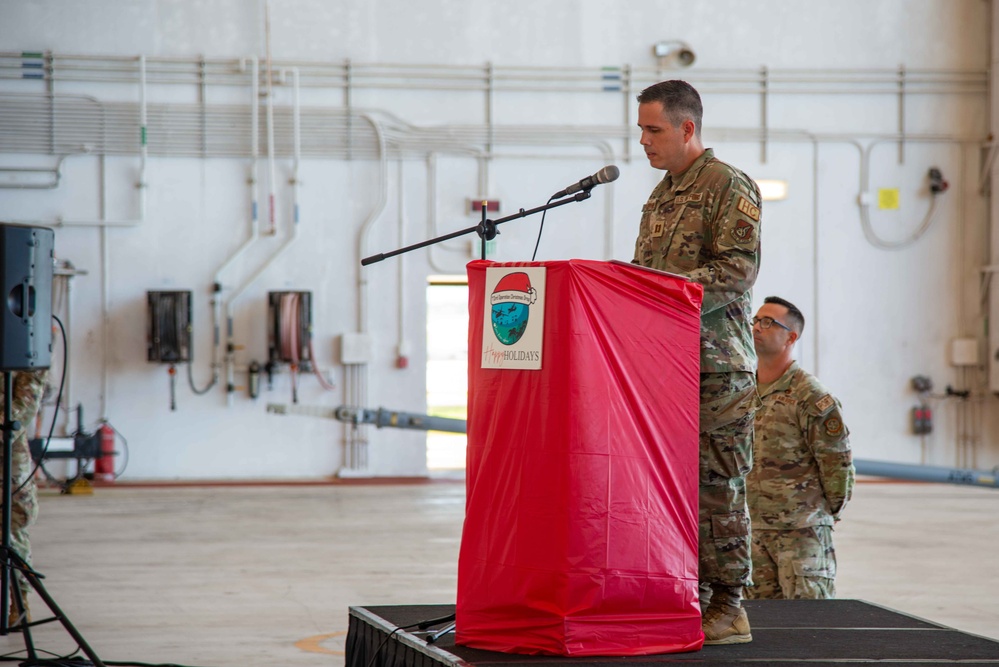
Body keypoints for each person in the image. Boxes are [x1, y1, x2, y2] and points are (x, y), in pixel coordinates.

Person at [632, 80, 762, 645]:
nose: (643, 141)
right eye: (640, 129)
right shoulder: (662, 194)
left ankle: (729, 605)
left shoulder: (727, 185)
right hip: (667, 366)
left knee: (716, 486)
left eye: (653, 129)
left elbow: (737, 270)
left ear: (688, 129)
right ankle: (690, 593)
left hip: (717, 369)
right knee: (671, 487)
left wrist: (661, 290)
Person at [745, 296, 854, 600]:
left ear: (791, 337)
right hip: (755, 531)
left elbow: (837, 464)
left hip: (801, 534)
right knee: (762, 631)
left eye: (768, 322)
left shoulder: (810, 396)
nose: (757, 327)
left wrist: (816, 515)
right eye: (755, 320)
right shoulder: (743, 390)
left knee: (809, 628)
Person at [0, 369, 47, 626]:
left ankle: (19, 603)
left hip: (8, 451)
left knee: (12, 526)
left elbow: (28, 398)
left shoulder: (24, 336)